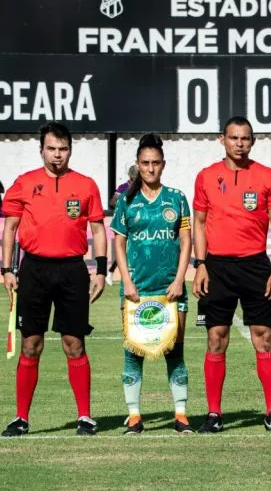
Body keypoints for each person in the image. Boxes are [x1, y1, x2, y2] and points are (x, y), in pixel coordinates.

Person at [0, 122, 108, 438]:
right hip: (33, 270)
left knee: (74, 343)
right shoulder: (24, 183)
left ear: (70, 150)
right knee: (31, 344)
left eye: (62, 149)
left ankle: (85, 417)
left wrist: (100, 270)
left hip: (73, 270)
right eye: (51, 148)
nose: (57, 155)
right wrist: (7, 270)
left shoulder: (86, 185)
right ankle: (21, 418)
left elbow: (98, 229)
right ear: (41, 149)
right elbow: (9, 228)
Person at [192, 116, 271, 434]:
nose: (239, 143)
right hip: (216, 267)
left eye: (245, 138)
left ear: (252, 141)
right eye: (234, 138)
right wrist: (201, 264)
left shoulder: (266, 176)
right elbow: (200, 223)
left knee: (264, 337)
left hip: (256, 266)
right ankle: (214, 414)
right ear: (223, 139)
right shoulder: (206, 176)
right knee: (216, 338)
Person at [110, 134, 193, 435]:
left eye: (155, 163)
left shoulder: (177, 198)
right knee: (133, 353)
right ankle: (134, 417)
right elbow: (118, 243)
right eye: (145, 163)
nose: (150, 169)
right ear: (137, 165)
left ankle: (181, 415)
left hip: (171, 290)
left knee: (175, 350)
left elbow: (186, 241)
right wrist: (127, 282)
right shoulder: (127, 201)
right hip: (136, 290)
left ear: (163, 165)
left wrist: (180, 279)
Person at [107, 165, 140, 284]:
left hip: (138, 222)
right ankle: (111, 272)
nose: (135, 180)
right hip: (124, 222)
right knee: (124, 249)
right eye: (133, 178)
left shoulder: (143, 187)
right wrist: (124, 206)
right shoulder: (123, 187)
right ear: (129, 176)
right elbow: (112, 202)